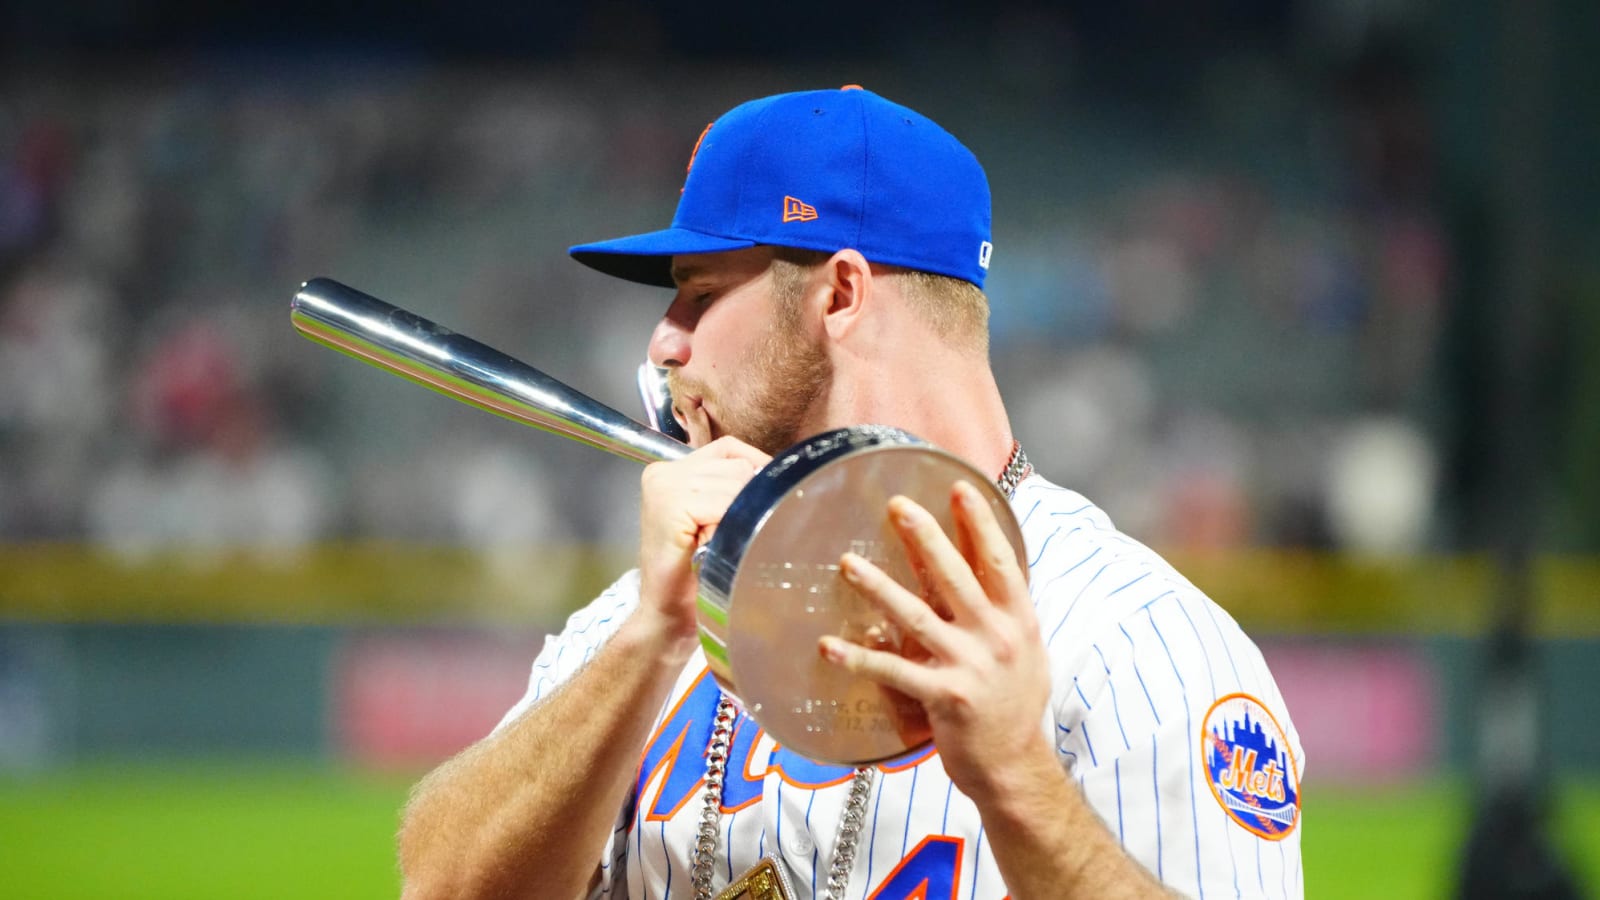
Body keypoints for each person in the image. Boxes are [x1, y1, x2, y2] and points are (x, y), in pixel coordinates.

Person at [397, 86, 1304, 900]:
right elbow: (439, 889)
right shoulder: (640, 615)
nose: (663, 346)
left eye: (699, 294)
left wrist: (1018, 778)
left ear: (839, 293)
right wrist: (651, 640)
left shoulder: (1131, 641)